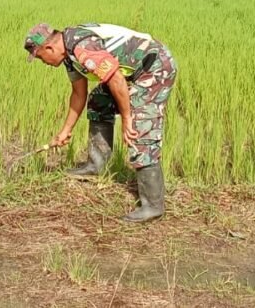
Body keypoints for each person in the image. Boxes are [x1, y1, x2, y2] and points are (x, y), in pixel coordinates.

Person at [24, 23, 178, 223]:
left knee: (140, 126)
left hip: (155, 66)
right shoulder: (69, 56)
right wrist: (65, 131)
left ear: (49, 48)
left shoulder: (83, 48)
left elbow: (116, 79)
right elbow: (78, 94)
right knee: (99, 101)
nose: (42, 62)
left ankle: (153, 205)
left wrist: (127, 118)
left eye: (39, 57)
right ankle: (97, 165)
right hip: (131, 71)